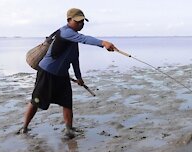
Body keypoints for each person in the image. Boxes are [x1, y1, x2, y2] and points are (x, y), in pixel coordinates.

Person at [18, 8, 118, 138]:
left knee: (67, 102)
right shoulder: (65, 32)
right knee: (36, 100)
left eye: (82, 21)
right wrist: (103, 43)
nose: (80, 24)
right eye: (77, 21)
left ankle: (69, 129)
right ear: (69, 20)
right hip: (47, 73)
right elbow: (85, 39)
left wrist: (79, 77)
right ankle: (24, 128)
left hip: (62, 75)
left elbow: (74, 59)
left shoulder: (73, 39)